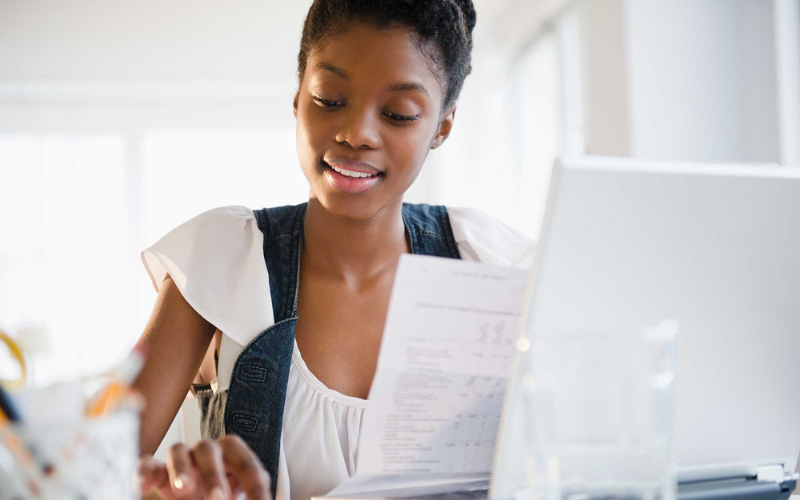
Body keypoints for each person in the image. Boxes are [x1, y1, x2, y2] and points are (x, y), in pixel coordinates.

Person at [134, 1, 534, 499]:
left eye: (398, 114)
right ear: (298, 97)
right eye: (329, 99)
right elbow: (86, 476)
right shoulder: (220, 263)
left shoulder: (490, 265)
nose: (355, 134)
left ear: (442, 126)